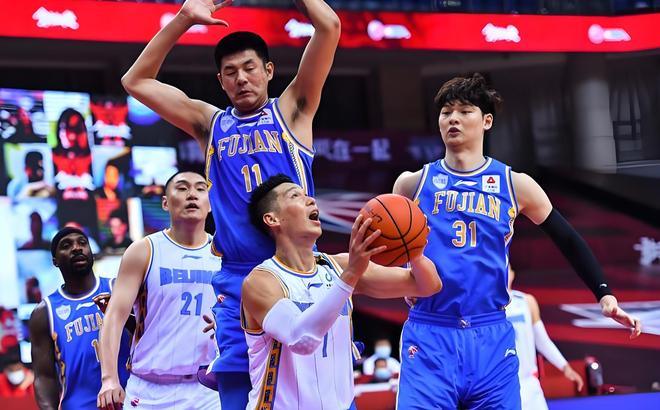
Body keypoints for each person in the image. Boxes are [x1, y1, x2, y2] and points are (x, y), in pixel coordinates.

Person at [121, 0, 341, 406]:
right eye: (230, 72)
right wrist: (184, 18)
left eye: (249, 68)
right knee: (239, 397)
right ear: (220, 81)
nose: (241, 78)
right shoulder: (210, 124)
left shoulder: (293, 110)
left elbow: (328, 25)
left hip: (296, 274)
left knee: (315, 394)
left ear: (269, 70)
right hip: (238, 279)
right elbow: (135, 81)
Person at [392, 73, 642, 409]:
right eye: (446, 112)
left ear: (487, 121)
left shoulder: (514, 184)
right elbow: (393, 249)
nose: (453, 118)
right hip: (430, 333)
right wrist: (402, 276)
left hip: (490, 335)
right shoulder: (412, 184)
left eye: (464, 111)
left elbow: (567, 238)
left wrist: (604, 295)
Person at [241, 174, 442, 409]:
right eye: (295, 196)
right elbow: (301, 340)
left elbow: (427, 286)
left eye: (307, 195)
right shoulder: (261, 281)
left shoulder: (339, 266)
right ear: (272, 219)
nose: (311, 200)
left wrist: (414, 248)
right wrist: (351, 274)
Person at [97, 171, 221, 410]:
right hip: (149, 390)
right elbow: (114, 318)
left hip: (206, 391)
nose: (192, 194)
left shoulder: (225, 254)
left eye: (200, 188)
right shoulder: (143, 250)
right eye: (182, 188)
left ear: (210, 204)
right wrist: (109, 378)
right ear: (165, 203)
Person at [28, 227, 131, 409]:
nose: (76, 248)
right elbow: (44, 377)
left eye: (82, 243)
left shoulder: (118, 289)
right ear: (55, 261)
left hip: (131, 400)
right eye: (66, 245)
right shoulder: (44, 312)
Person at [506, 267, 583, 410]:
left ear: (513, 274)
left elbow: (542, 341)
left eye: (507, 268)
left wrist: (565, 366)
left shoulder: (526, 301)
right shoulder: (485, 307)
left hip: (529, 384)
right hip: (503, 387)